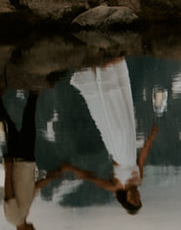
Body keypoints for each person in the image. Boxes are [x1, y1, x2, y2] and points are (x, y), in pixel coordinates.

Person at [59, 60, 159, 215]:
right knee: (123, 108)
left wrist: (71, 168)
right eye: (138, 199)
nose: (136, 196)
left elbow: (92, 178)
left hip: (117, 146)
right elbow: (142, 157)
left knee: (110, 111)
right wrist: (151, 137)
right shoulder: (139, 180)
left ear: (125, 199)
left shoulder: (116, 186)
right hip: (130, 143)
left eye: (133, 200)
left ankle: (101, 73)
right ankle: (113, 68)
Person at [0, 90, 66, 230]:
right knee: (26, 126)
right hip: (26, 162)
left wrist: (8, 168)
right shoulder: (23, 214)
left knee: (11, 127)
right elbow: (35, 187)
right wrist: (53, 176)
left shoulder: (13, 218)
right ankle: (31, 95)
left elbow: (9, 193)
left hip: (18, 162)